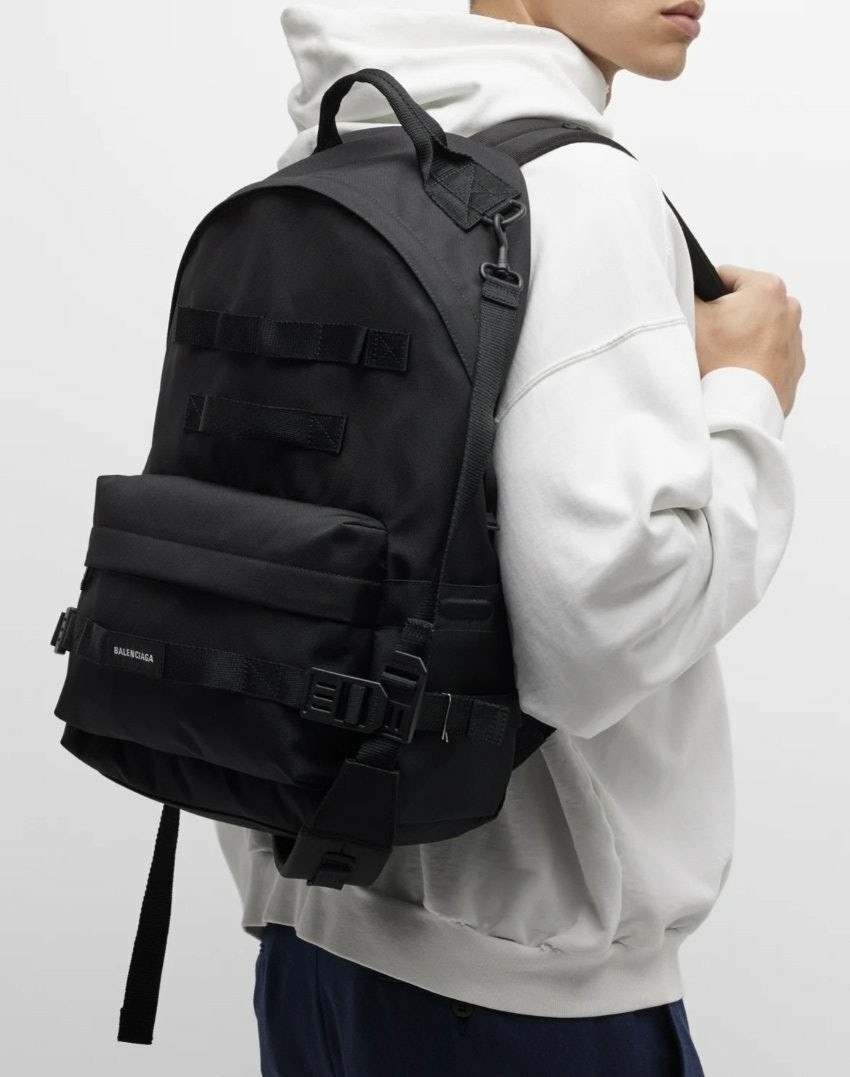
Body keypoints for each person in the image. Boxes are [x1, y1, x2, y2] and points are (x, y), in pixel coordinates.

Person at [215, 3, 804, 1074]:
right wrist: (746, 395)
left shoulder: (330, 153)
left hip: (310, 951)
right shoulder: (581, 189)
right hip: (523, 1003)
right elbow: (597, 638)